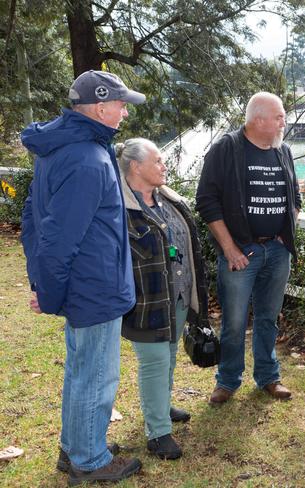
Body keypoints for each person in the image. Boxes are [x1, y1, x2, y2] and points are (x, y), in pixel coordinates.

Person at [20, 70, 145, 485]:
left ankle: (75, 445)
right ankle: (89, 459)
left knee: (81, 370)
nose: (126, 111)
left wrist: (42, 283)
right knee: (95, 374)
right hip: (93, 287)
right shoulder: (89, 159)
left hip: (85, 284)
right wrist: (48, 292)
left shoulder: (63, 149)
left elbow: (33, 219)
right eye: (122, 103)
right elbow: (56, 238)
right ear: (101, 106)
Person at [196, 92, 301, 404]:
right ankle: (227, 381)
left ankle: (268, 377)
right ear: (259, 120)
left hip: (277, 252)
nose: (284, 121)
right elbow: (207, 200)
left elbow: (294, 197)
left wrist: (285, 234)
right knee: (234, 322)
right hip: (241, 253)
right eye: (279, 116)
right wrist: (229, 248)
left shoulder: (282, 150)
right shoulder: (227, 148)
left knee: (269, 318)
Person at [117, 138, 210, 460]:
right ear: (135, 167)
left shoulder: (167, 199)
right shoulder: (119, 208)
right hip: (146, 302)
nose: (164, 165)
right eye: (157, 161)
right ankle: (157, 434)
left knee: (169, 356)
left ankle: (161, 404)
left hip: (179, 297)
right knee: (155, 362)